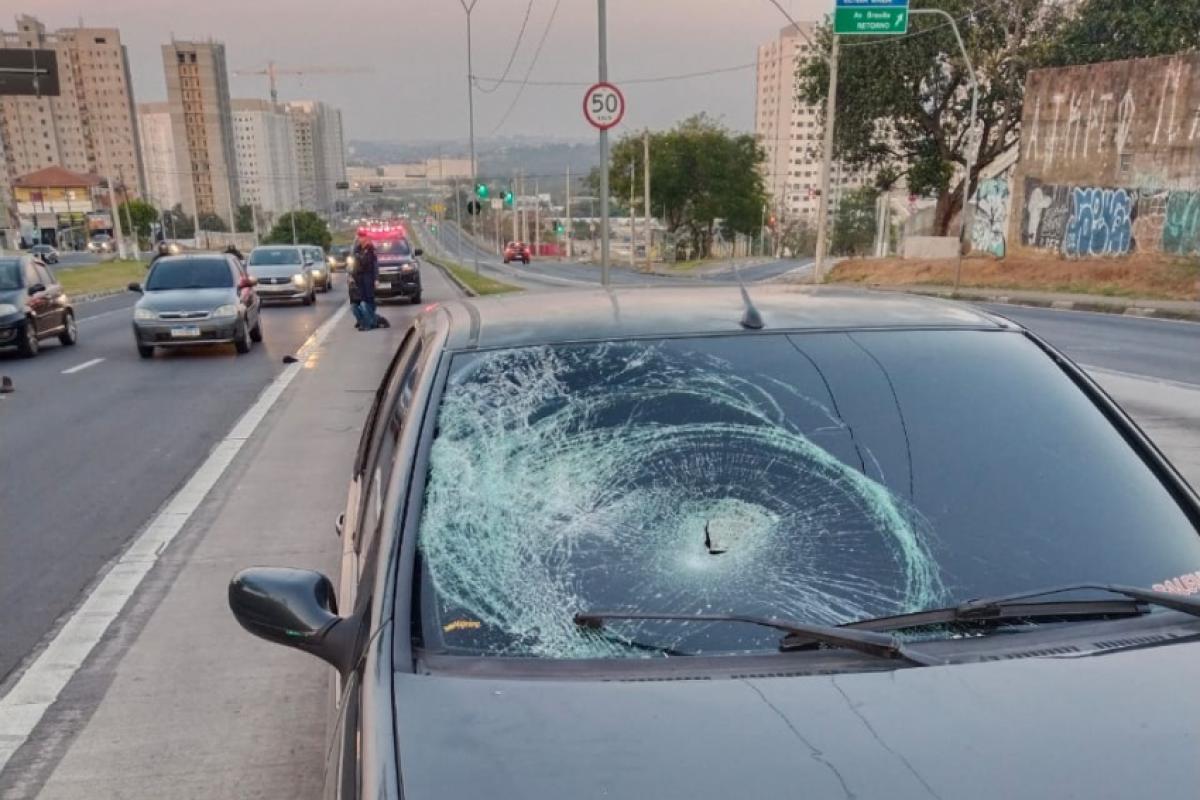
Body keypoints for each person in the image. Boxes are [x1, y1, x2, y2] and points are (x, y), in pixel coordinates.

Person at [350, 236, 379, 331]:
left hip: (368, 277)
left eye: (364, 238)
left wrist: (376, 279)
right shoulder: (356, 250)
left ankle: (370, 320)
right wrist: (351, 276)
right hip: (358, 277)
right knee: (360, 300)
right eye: (360, 238)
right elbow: (353, 265)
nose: (361, 240)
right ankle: (362, 319)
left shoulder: (371, 250)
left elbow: (375, 266)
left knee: (369, 299)